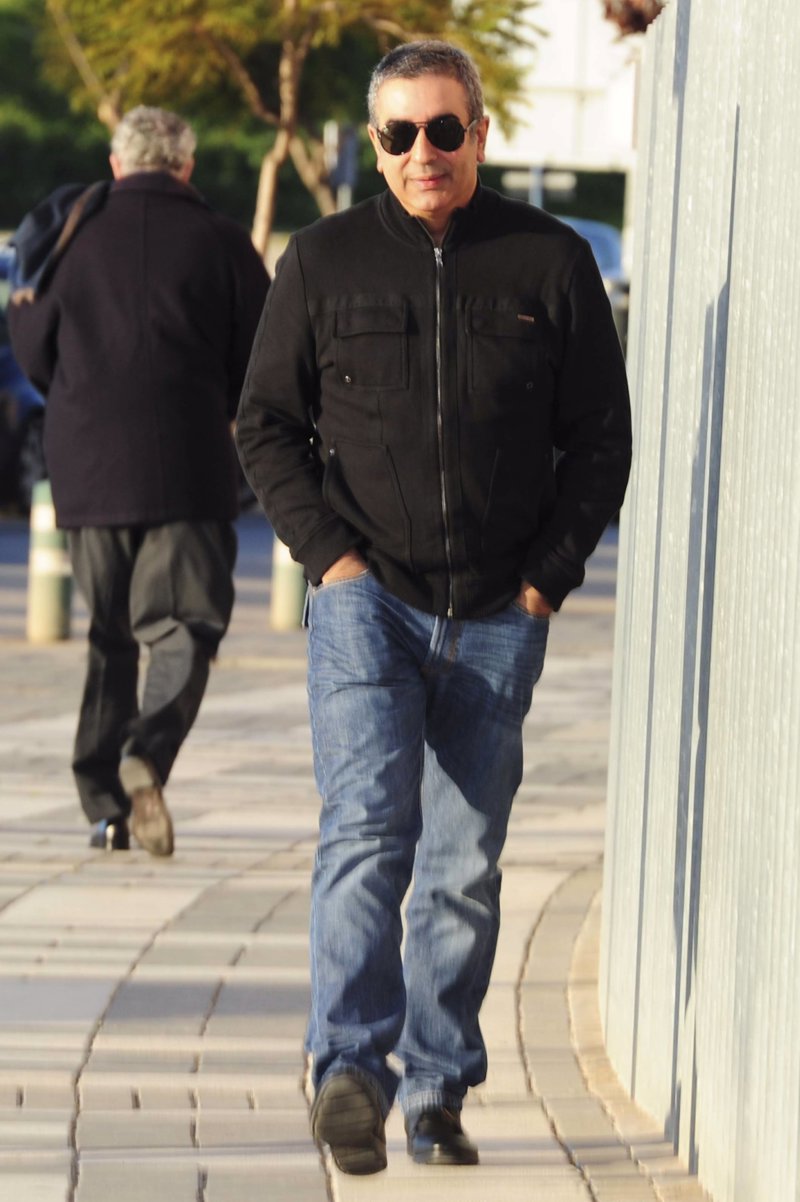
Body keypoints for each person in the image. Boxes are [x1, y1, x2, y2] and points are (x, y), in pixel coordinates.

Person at [236, 41, 631, 1173]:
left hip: (501, 608)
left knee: (461, 864)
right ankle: (349, 1071)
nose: (425, 152)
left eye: (444, 130)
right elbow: (264, 425)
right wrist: (331, 561)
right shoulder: (321, 261)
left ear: (480, 135)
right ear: (375, 146)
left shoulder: (550, 261)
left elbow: (600, 440)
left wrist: (546, 577)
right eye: (401, 134)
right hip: (366, 602)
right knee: (368, 831)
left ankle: (437, 1085)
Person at [9, 106, 269, 857]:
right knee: (186, 626)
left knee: (109, 636)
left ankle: (105, 809)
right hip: (187, 466)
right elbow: (260, 357)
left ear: (117, 164)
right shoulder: (222, 241)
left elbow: (32, 348)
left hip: (87, 470)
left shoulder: (71, 235)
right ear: (186, 166)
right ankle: (146, 754)